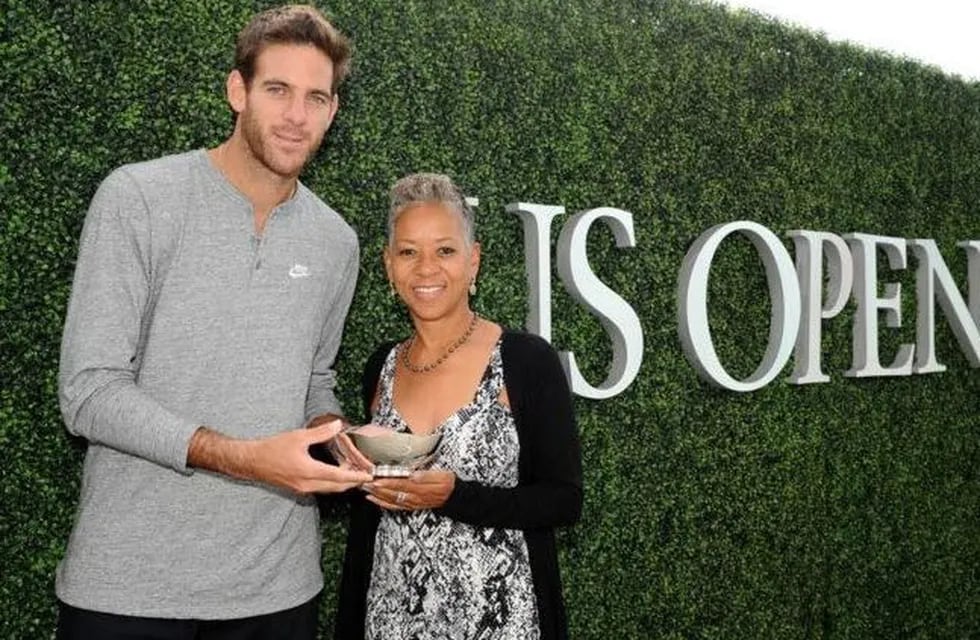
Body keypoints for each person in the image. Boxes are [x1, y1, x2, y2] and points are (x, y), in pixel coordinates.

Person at [55, 5, 373, 638]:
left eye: (316, 97)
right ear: (238, 90)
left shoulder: (336, 241)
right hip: (129, 591)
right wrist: (247, 458)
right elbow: (88, 392)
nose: (295, 116)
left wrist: (331, 433)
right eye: (277, 90)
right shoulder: (139, 199)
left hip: (279, 593)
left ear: (333, 111)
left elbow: (313, 375)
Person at [333, 173, 583, 639]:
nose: (426, 268)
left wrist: (454, 496)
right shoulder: (381, 367)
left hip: (501, 621)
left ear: (473, 262)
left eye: (445, 250)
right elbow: (369, 510)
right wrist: (347, 465)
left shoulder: (525, 361)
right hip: (391, 620)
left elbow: (563, 500)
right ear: (389, 266)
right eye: (408, 252)